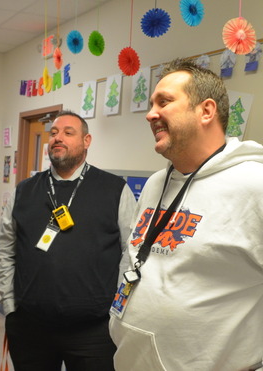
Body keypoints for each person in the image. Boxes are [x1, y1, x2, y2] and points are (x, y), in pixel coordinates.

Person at [109, 58, 263, 371]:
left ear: (206, 111)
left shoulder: (254, 184)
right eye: (151, 103)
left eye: (164, 102)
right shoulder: (156, 184)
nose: (150, 114)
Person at [0, 110, 136, 371]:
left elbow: (131, 254)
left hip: (94, 331)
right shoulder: (24, 191)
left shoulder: (115, 190)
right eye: (54, 133)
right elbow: (4, 251)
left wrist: (117, 311)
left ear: (86, 141)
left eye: (68, 133)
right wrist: (11, 305)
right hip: (30, 327)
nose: (58, 138)